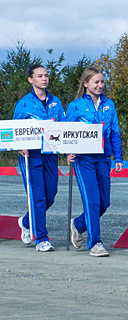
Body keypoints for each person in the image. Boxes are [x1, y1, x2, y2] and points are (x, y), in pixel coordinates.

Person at [65, 67, 123, 257]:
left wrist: (118, 157)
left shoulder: (109, 104)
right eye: (96, 82)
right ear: (86, 83)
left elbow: (114, 131)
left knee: (104, 203)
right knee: (92, 201)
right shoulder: (75, 106)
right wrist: (68, 152)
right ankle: (95, 243)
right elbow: (67, 133)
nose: (100, 85)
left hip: (104, 159)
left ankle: (78, 224)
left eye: (102, 82)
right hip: (84, 160)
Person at [13, 64, 65, 252]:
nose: (44, 79)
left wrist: (68, 149)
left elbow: (63, 127)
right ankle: (41, 238)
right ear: (31, 79)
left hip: (51, 154)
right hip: (31, 156)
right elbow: (14, 131)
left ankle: (26, 221)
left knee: (50, 196)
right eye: (39, 76)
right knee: (38, 197)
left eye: (46, 75)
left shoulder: (56, 102)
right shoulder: (24, 103)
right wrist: (19, 146)